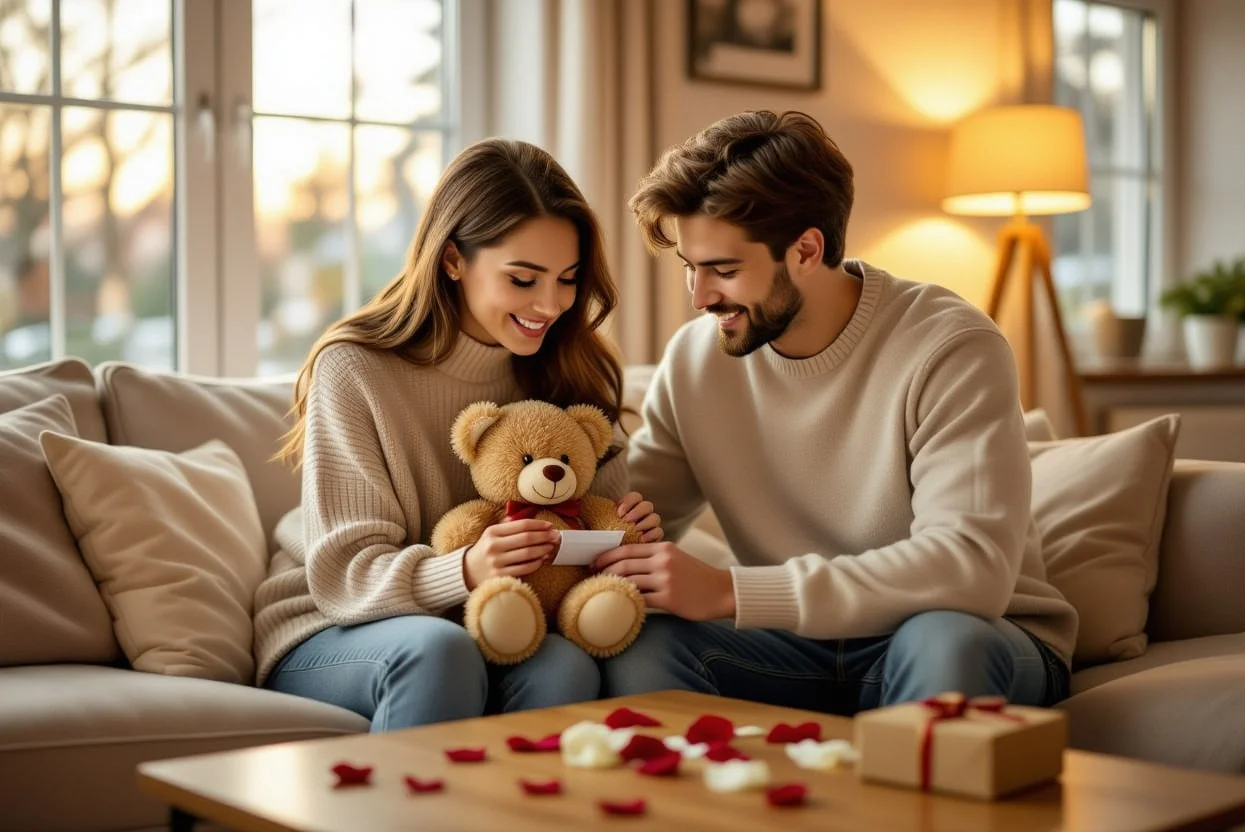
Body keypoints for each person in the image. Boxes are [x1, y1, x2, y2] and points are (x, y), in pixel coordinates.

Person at [597, 110, 1077, 715]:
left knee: (942, 642)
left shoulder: (949, 345)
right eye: (691, 268)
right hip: (797, 647)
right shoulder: (697, 361)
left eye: (723, 270)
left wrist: (729, 591)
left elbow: (969, 568)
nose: (700, 298)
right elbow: (632, 517)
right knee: (641, 641)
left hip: (974, 633)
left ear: (805, 249)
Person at [254, 139, 662, 731]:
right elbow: (344, 575)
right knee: (438, 653)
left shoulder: (571, 368)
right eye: (523, 279)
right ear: (453, 260)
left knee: (565, 669)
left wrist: (624, 544)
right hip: (332, 622)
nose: (550, 305)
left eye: (568, 279)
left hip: (493, 620)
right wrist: (466, 569)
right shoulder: (355, 368)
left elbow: (588, 528)